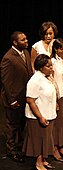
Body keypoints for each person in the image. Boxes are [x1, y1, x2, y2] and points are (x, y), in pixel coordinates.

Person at [0, 31, 33, 162]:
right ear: (15, 42)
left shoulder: (25, 52)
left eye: (26, 39)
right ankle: (11, 151)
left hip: (24, 96)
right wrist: (12, 100)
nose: (26, 41)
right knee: (12, 126)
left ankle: (20, 147)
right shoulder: (8, 58)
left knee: (21, 124)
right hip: (14, 99)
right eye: (23, 40)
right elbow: (6, 82)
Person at [23, 54, 57, 170]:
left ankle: (43, 159)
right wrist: (40, 117)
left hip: (49, 113)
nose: (51, 68)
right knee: (38, 140)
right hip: (38, 116)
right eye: (48, 66)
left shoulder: (46, 77)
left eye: (51, 65)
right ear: (41, 67)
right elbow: (30, 100)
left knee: (46, 139)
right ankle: (38, 163)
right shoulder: (35, 80)